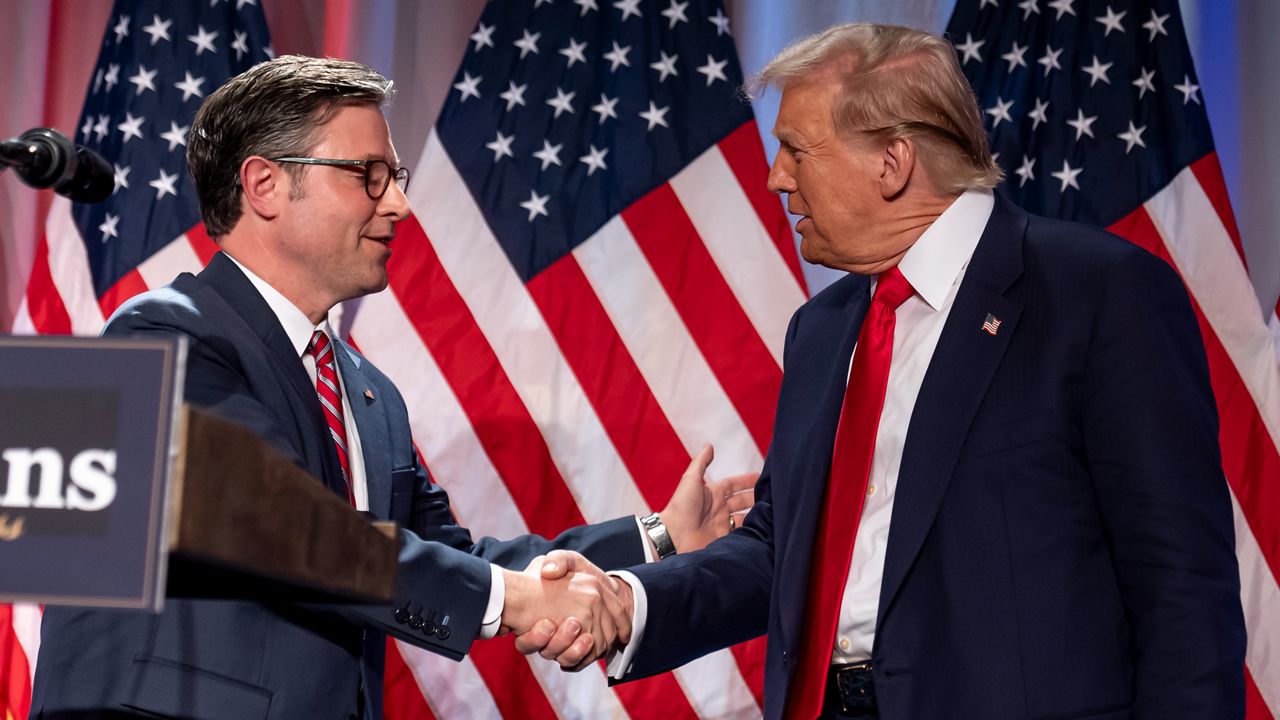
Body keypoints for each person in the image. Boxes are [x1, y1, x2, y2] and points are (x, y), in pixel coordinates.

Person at [532, 22, 1247, 719]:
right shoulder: (821, 331)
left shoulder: (1094, 294)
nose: (776, 177)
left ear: (893, 161)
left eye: (796, 150)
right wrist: (633, 602)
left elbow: (1180, 586)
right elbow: (781, 554)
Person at [29, 55, 751, 720]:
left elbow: (443, 555)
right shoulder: (166, 336)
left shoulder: (368, 393)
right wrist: (518, 600)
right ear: (264, 185)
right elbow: (281, 531)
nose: (399, 204)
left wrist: (656, 538)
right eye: (368, 175)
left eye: (395, 177)